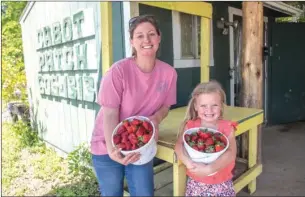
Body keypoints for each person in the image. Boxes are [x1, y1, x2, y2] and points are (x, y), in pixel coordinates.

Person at [90, 14, 178, 196]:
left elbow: (166, 106)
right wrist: (112, 148)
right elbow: (110, 113)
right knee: (112, 193)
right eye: (139, 35)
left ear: (159, 37)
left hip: (141, 144)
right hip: (107, 143)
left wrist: (156, 118)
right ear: (132, 41)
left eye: (151, 34)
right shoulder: (118, 71)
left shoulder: (169, 73)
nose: (146, 39)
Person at [175, 80, 237, 196]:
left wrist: (210, 169)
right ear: (196, 106)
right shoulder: (190, 126)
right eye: (203, 105)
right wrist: (188, 163)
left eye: (214, 105)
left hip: (221, 184)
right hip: (195, 183)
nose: (209, 110)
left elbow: (231, 154)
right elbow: (179, 146)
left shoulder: (227, 127)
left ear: (221, 106)